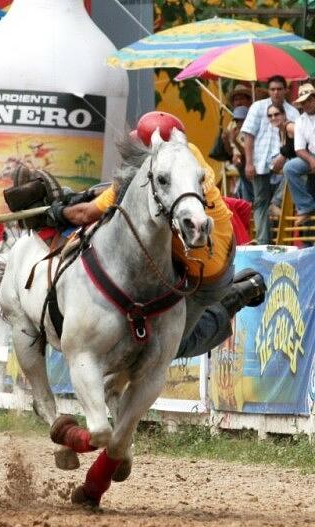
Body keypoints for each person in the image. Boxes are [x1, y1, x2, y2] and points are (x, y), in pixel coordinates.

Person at [45, 111, 266, 360]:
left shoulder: (147, 169)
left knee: (168, 346)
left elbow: (86, 215)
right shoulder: (187, 155)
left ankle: (236, 297)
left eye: (139, 144)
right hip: (221, 244)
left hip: (203, 275)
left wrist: (59, 211)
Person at [241, 75, 299, 244]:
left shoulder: (293, 112)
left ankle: (277, 205)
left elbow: (297, 141)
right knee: (260, 203)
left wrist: (283, 155)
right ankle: (263, 244)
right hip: (260, 162)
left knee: (293, 173)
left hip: (286, 161)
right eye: (272, 89)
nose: (276, 93)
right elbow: (248, 136)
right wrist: (249, 163)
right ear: (268, 91)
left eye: (279, 89)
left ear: (285, 91)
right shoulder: (257, 107)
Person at [282, 83, 315, 219]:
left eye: (309, 100)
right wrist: (311, 160)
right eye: (303, 102)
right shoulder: (300, 120)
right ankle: (306, 206)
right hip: (312, 155)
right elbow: (299, 149)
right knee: (289, 167)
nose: (306, 104)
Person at [221, 105, 248, 197]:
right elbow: (230, 153)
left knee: (241, 167)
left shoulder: (250, 133)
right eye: (236, 121)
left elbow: (246, 153)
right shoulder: (236, 132)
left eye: (241, 120)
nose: (238, 123)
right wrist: (226, 142)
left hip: (249, 167)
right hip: (240, 167)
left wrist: (234, 141)